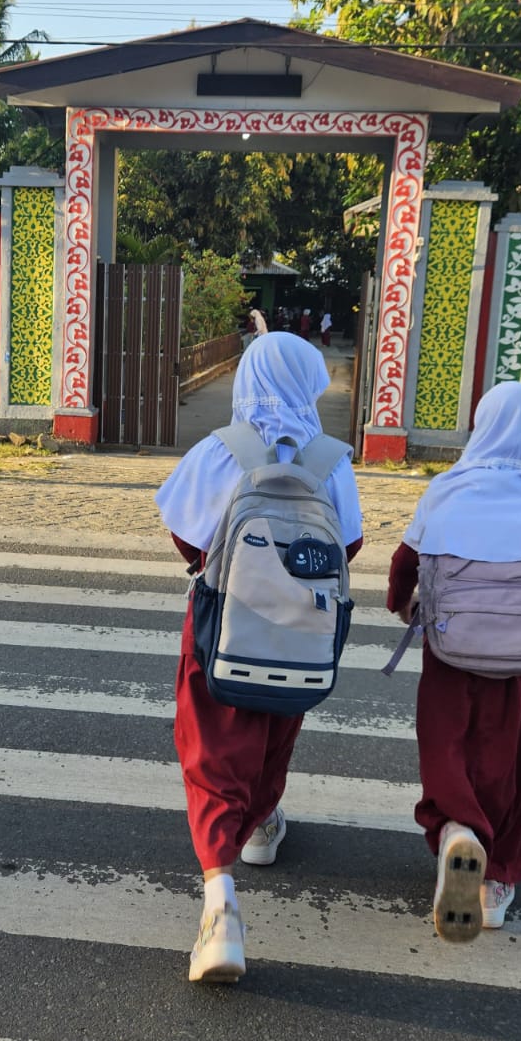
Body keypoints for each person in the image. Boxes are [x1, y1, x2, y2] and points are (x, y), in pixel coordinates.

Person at [155, 332, 364, 983]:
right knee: (274, 731)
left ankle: (220, 905)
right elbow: (347, 548)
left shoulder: (220, 450)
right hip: (300, 636)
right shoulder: (332, 461)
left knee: (212, 753)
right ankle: (262, 822)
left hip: (224, 629)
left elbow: (184, 535)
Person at [385, 382, 521, 942]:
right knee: (516, 758)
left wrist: (401, 604)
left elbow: (404, 562)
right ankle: (496, 878)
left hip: (454, 650)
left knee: (449, 743)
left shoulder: (447, 492)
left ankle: (458, 830)